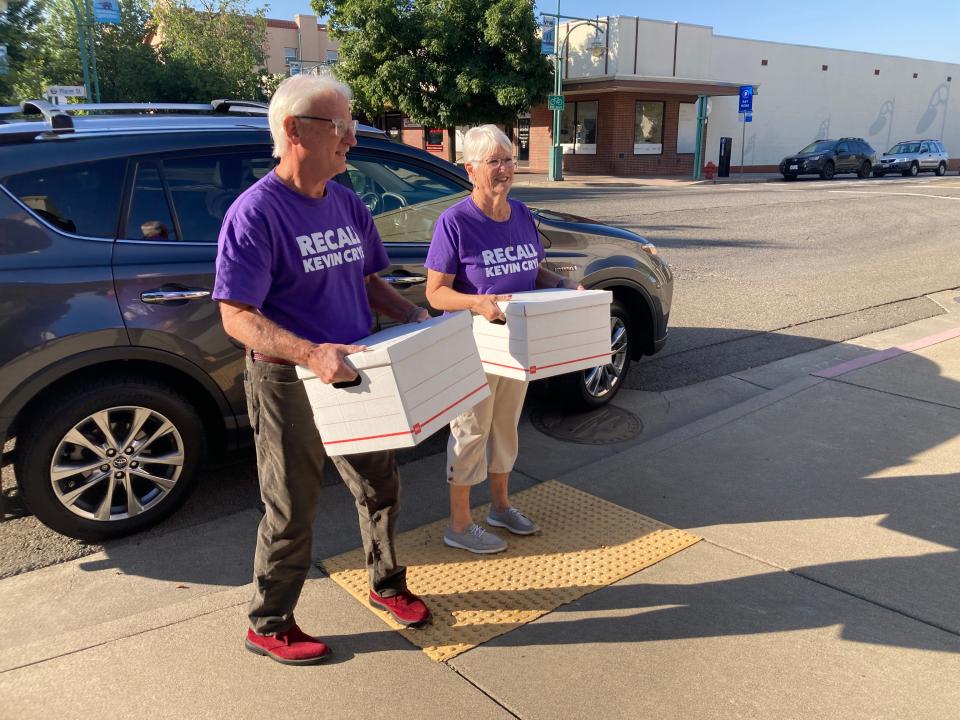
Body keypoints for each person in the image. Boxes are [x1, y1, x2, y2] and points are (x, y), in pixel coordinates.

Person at [214, 75, 432, 666]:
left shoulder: (347, 201)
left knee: (380, 486)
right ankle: (269, 622)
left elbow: (366, 280)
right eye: (339, 126)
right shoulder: (255, 214)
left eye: (350, 126)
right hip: (289, 381)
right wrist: (311, 353)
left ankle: (387, 584)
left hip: (357, 372)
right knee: (292, 508)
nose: (351, 139)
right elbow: (236, 314)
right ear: (293, 130)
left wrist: (414, 313)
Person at [424, 125, 580, 554]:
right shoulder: (454, 222)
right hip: (470, 347)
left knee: (505, 427)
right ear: (471, 170)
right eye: (494, 161)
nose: (505, 169)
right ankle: (459, 524)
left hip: (516, 347)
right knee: (471, 430)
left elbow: (534, 270)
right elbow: (435, 293)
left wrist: (562, 285)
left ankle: (499, 507)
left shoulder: (522, 214)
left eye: (509, 159)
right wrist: (476, 303)